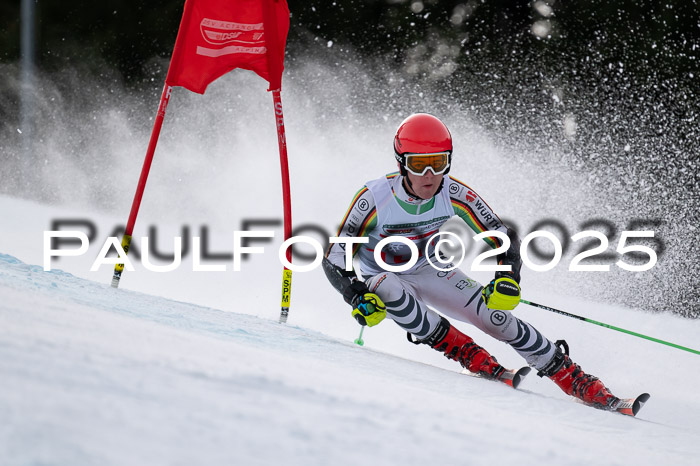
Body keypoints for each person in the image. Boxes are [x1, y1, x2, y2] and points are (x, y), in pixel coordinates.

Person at [322, 113, 621, 409]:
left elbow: (503, 237)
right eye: (418, 164)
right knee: (388, 287)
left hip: (430, 269)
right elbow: (334, 257)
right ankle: (467, 353)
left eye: (438, 163)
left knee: (495, 317)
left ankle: (573, 377)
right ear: (401, 163)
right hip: (382, 278)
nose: (429, 174)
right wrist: (356, 295)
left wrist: (507, 277)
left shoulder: (454, 193)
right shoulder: (374, 198)